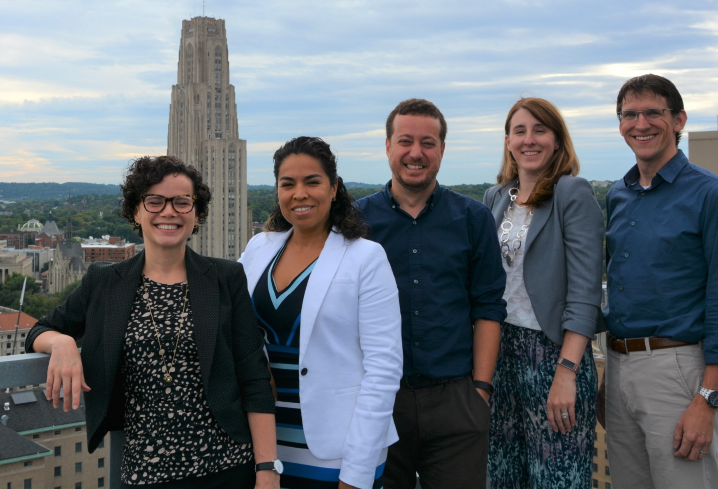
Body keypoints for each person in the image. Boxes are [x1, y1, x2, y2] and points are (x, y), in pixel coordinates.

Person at [26, 156, 279, 489]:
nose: (168, 212)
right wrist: (62, 342)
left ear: (196, 213)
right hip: (146, 472)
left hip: (228, 466)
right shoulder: (105, 282)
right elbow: (37, 331)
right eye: (155, 201)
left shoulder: (225, 277)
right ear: (136, 211)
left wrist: (267, 469)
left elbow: (254, 377)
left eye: (182, 202)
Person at [600, 74, 718, 488]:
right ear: (620, 125)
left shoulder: (714, 196)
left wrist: (707, 401)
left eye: (654, 112)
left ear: (679, 120)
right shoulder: (619, 195)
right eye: (629, 114)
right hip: (619, 366)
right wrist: (609, 378)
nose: (641, 123)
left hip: (680, 371)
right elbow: (619, 290)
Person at [356, 98, 508, 489]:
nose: (416, 153)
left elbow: (488, 308)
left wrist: (480, 392)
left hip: (457, 398)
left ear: (442, 150)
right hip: (378, 401)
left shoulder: (473, 219)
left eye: (428, 143)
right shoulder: (354, 222)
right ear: (388, 146)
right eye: (405, 141)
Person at [239, 136, 402, 489]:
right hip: (266, 445)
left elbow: (383, 370)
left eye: (312, 181)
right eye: (288, 183)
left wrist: (356, 475)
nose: (300, 193)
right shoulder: (259, 248)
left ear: (334, 188)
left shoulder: (365, 258)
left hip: (338, 451)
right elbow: (230, 320)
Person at [482, 97, 604, 488]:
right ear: (507, 141)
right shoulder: (495, 197)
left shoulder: (572, 193)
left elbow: (586, 292)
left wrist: (566, 371)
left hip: (553, 354)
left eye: (539, 130)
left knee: (557, 477)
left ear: (557, 140)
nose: (529, 140)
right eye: (520, 131)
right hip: (500, 353)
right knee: (501, 475)